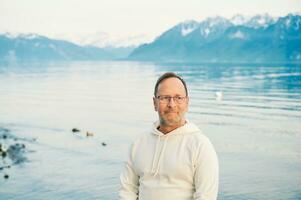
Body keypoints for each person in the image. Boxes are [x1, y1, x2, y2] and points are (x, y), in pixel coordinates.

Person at [119, 72, 219, 200]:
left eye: (178, 98)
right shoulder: (138, 144)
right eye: (165, 98)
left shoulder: (200, 146)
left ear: (187, 102)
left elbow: (206, 197)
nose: (171, 104)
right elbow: (127, 191)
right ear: (154, 103)